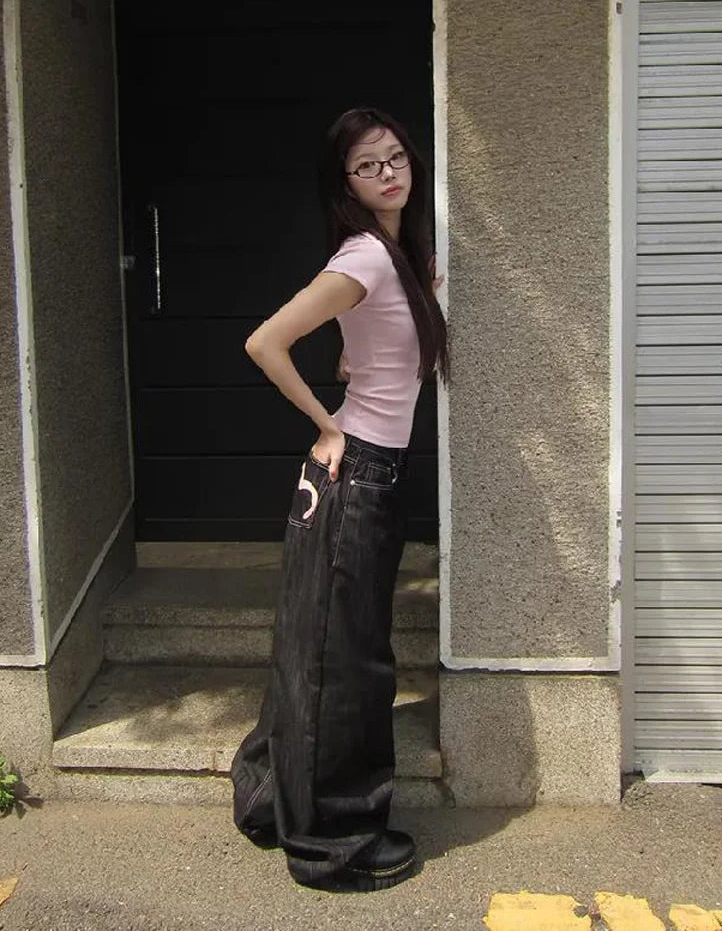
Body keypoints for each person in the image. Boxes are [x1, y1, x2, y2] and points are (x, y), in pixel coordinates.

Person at [230, 106, 448, 892]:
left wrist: (377, 348)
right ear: (346, 183)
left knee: (312, 650)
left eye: (396, 158)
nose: (390, 173)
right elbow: (266, 341)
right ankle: (332, 847)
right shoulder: (365, 256)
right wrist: (327, 425)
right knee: (345, 667)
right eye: (370, 166)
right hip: (354, 476)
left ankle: (267, 802)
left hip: (368, 479)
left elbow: (372, 362)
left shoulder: (390, 257)